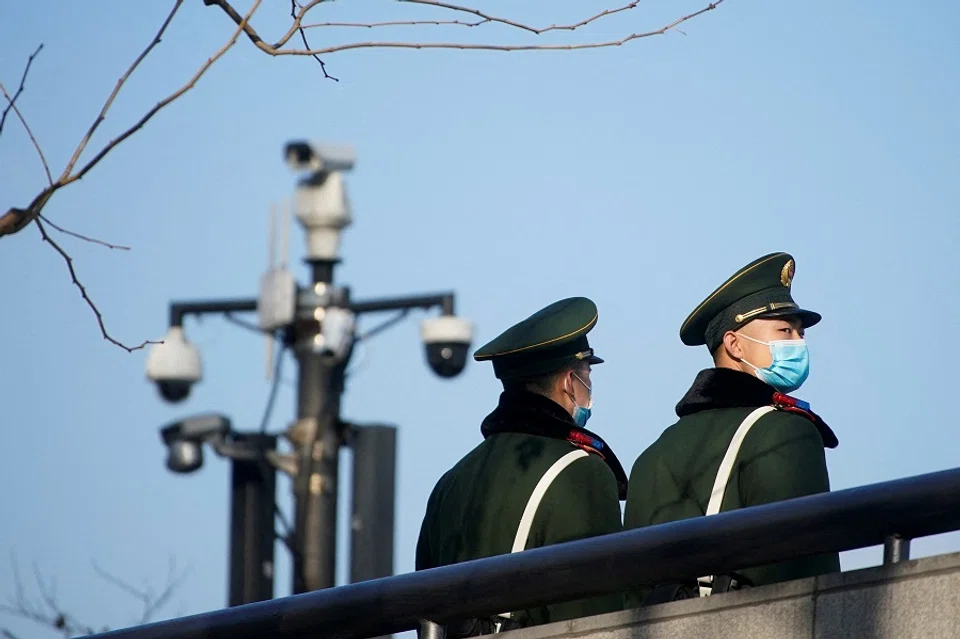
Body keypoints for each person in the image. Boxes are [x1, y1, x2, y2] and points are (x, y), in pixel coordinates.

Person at [623, 252, 840, 606]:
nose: (798, 343)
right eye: (784, 330)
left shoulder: (652, 455)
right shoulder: (786, 431)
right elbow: (807, 578)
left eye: (800, 334)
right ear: (734, 344)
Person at [415, 297, 629, 636]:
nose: (590, 385)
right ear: (569, 382)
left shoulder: (450, 482)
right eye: (587, 372)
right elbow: (595, 618)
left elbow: (424, 607)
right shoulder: (580, 470)